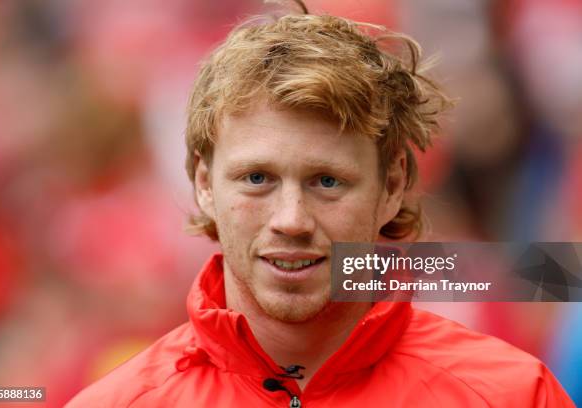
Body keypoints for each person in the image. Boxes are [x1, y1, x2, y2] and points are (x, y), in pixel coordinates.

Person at [66, 1, 574, 406]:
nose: (291, 220)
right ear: (203, 183)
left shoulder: (512, 394)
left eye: (327, 181)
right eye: (257, 178)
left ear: (393, 185)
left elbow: (548, 278)